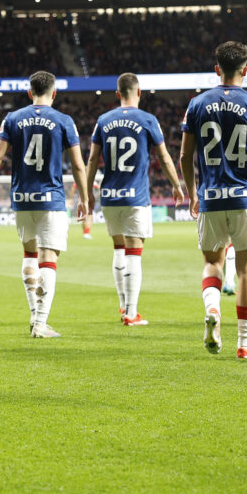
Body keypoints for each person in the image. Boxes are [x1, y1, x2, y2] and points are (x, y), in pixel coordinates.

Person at [179, 41, 247, 360]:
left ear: (216, 69)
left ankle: (212, 310)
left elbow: (185, 154)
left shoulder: (196, 104)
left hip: (210, 198)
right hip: (246, 198)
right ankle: (244, 345)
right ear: (245, 70)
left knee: (212, 263)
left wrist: (193, 192)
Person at [0, 71, 89, 338]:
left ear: (30, 92)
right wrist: (85, 197)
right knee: (48, 258)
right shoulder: (63, 120)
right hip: (50, 198)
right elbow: (76, 164)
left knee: (29, 254)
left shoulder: (13, 118)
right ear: (54, 93)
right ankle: (40, 323)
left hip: (22, 198)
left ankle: (33, 315)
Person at [86, 72, 184, 326]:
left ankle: (123, 306)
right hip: (136, 196)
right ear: (138, 92)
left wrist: (87, 192)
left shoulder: (103, 120)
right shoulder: (148, 120)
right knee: (134, 252)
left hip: (109, 195)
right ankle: (131, 313)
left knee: (119, 248)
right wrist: (176, 184)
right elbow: (163, 157)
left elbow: (92, 160)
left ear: (118, 94)